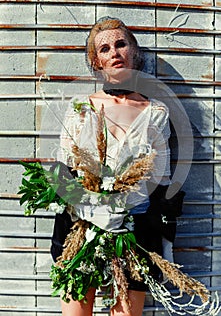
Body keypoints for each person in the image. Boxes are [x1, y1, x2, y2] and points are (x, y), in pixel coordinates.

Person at [51, 16, 184, 316]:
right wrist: (91, 209)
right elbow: (64, 171)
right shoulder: (79, 108)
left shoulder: (156, 113)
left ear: (133, 52)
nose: (114, 52)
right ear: (96, 62)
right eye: (104, 48)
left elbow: (159, 179)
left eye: (121, 44)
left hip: (133, 230)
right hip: (81, 229)